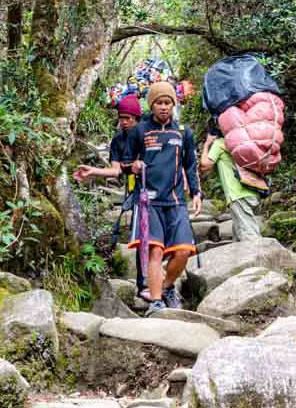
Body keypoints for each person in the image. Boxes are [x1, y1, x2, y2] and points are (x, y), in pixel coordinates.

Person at [127, 81, 202, 315]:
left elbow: (190, 165)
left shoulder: (183, 132)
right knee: (155, 251)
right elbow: (126, 162)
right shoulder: (139, 130)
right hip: (148, 201)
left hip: (176, 201)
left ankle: (168, 286)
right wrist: (134, 166)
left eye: (168, 103)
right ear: (151, 105)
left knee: (183, 251)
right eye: (159, 102)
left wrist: (196, 192)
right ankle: (157, 302)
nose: (163, 107)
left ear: (173, 104)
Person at [74, 95, 149, 300]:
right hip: (135, 189)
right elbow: (115, 171)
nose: (124, 121)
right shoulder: (117, 139)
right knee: (141, 235)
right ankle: (143, 283)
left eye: (129, 118)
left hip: (151, 189)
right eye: (121, 117)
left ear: (137, 118)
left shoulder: (145, 134)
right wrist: (93, 172)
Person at [200, 121, 264, 242]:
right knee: (239, 237)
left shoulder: (220, 144)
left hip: (237, 195)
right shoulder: (242, 141)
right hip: (253, 192)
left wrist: (207, 144)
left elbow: (205, 165)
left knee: (251, 237)